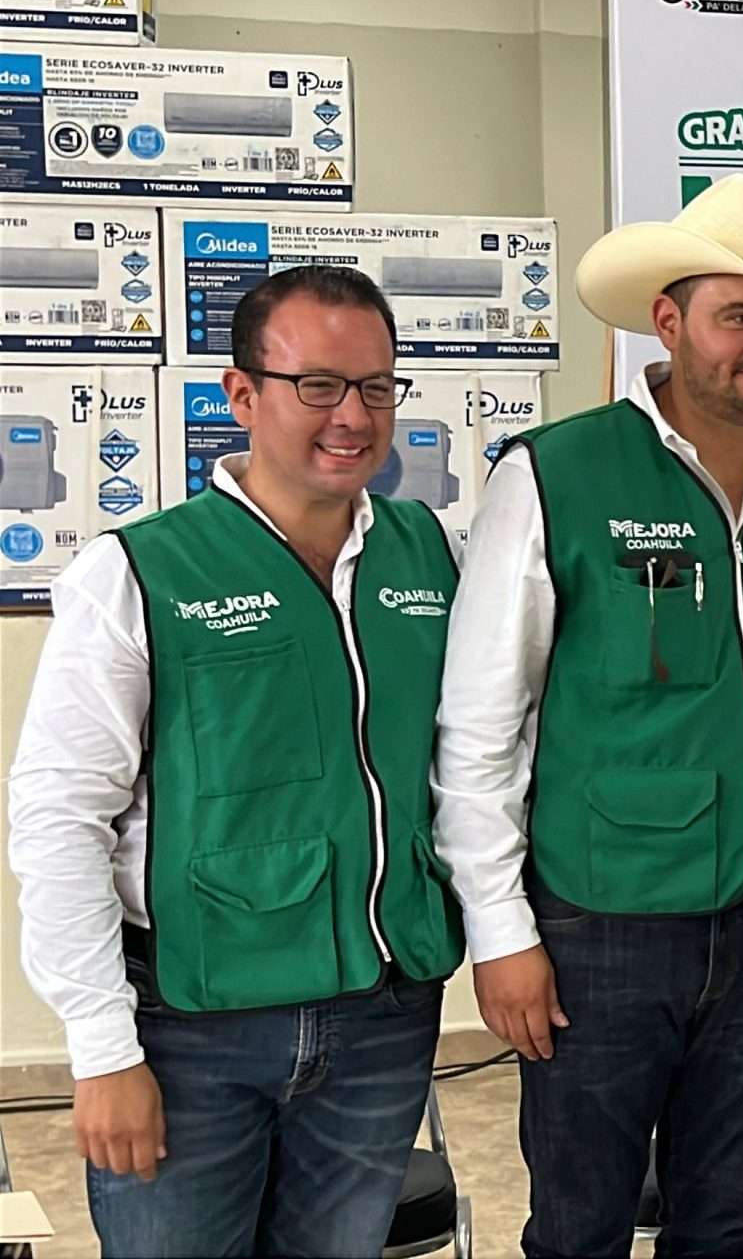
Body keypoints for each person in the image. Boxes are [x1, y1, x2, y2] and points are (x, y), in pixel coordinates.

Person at [432, 175, 743, 1257]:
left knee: (726, 1223)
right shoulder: (557, 472)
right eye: (741, 316)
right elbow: (482, 722)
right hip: (602, 921)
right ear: (669, 321)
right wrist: (501, 933)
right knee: (581, 1227)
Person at [8, 266, 463, 1257]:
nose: (353, 417)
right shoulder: (138, 572)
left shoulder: (431, 556)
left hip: (381, 1017)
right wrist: (102, 1046)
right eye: (319, 386)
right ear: (242, 393)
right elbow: (58, 819)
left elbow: (468, 768)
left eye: (377, 386)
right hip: (191, 1029)